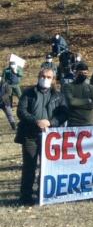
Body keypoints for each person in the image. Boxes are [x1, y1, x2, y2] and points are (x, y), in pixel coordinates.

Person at [15, 67, 67, 204]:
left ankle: (42, 194)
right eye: (43, 76)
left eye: (49, 77)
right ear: (38, 77)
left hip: (49, 136)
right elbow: (21, 111)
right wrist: (36, 121)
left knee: (47, 166)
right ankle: (25, 196)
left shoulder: (59, 95)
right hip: (30, 135)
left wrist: (50, 122)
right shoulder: (28, 93)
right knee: (29, 166)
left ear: (53, 79)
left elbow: (64, 113)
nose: (45, 79)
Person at [63, 62, 93, 127]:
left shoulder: (91, 87)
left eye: (85, 73)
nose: (83, 75)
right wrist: (88, 101)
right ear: (76, 73)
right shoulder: (68, 86)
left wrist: (77, 104)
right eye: (80, 73)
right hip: (73, 123)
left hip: (89, 123)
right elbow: (71, 102)